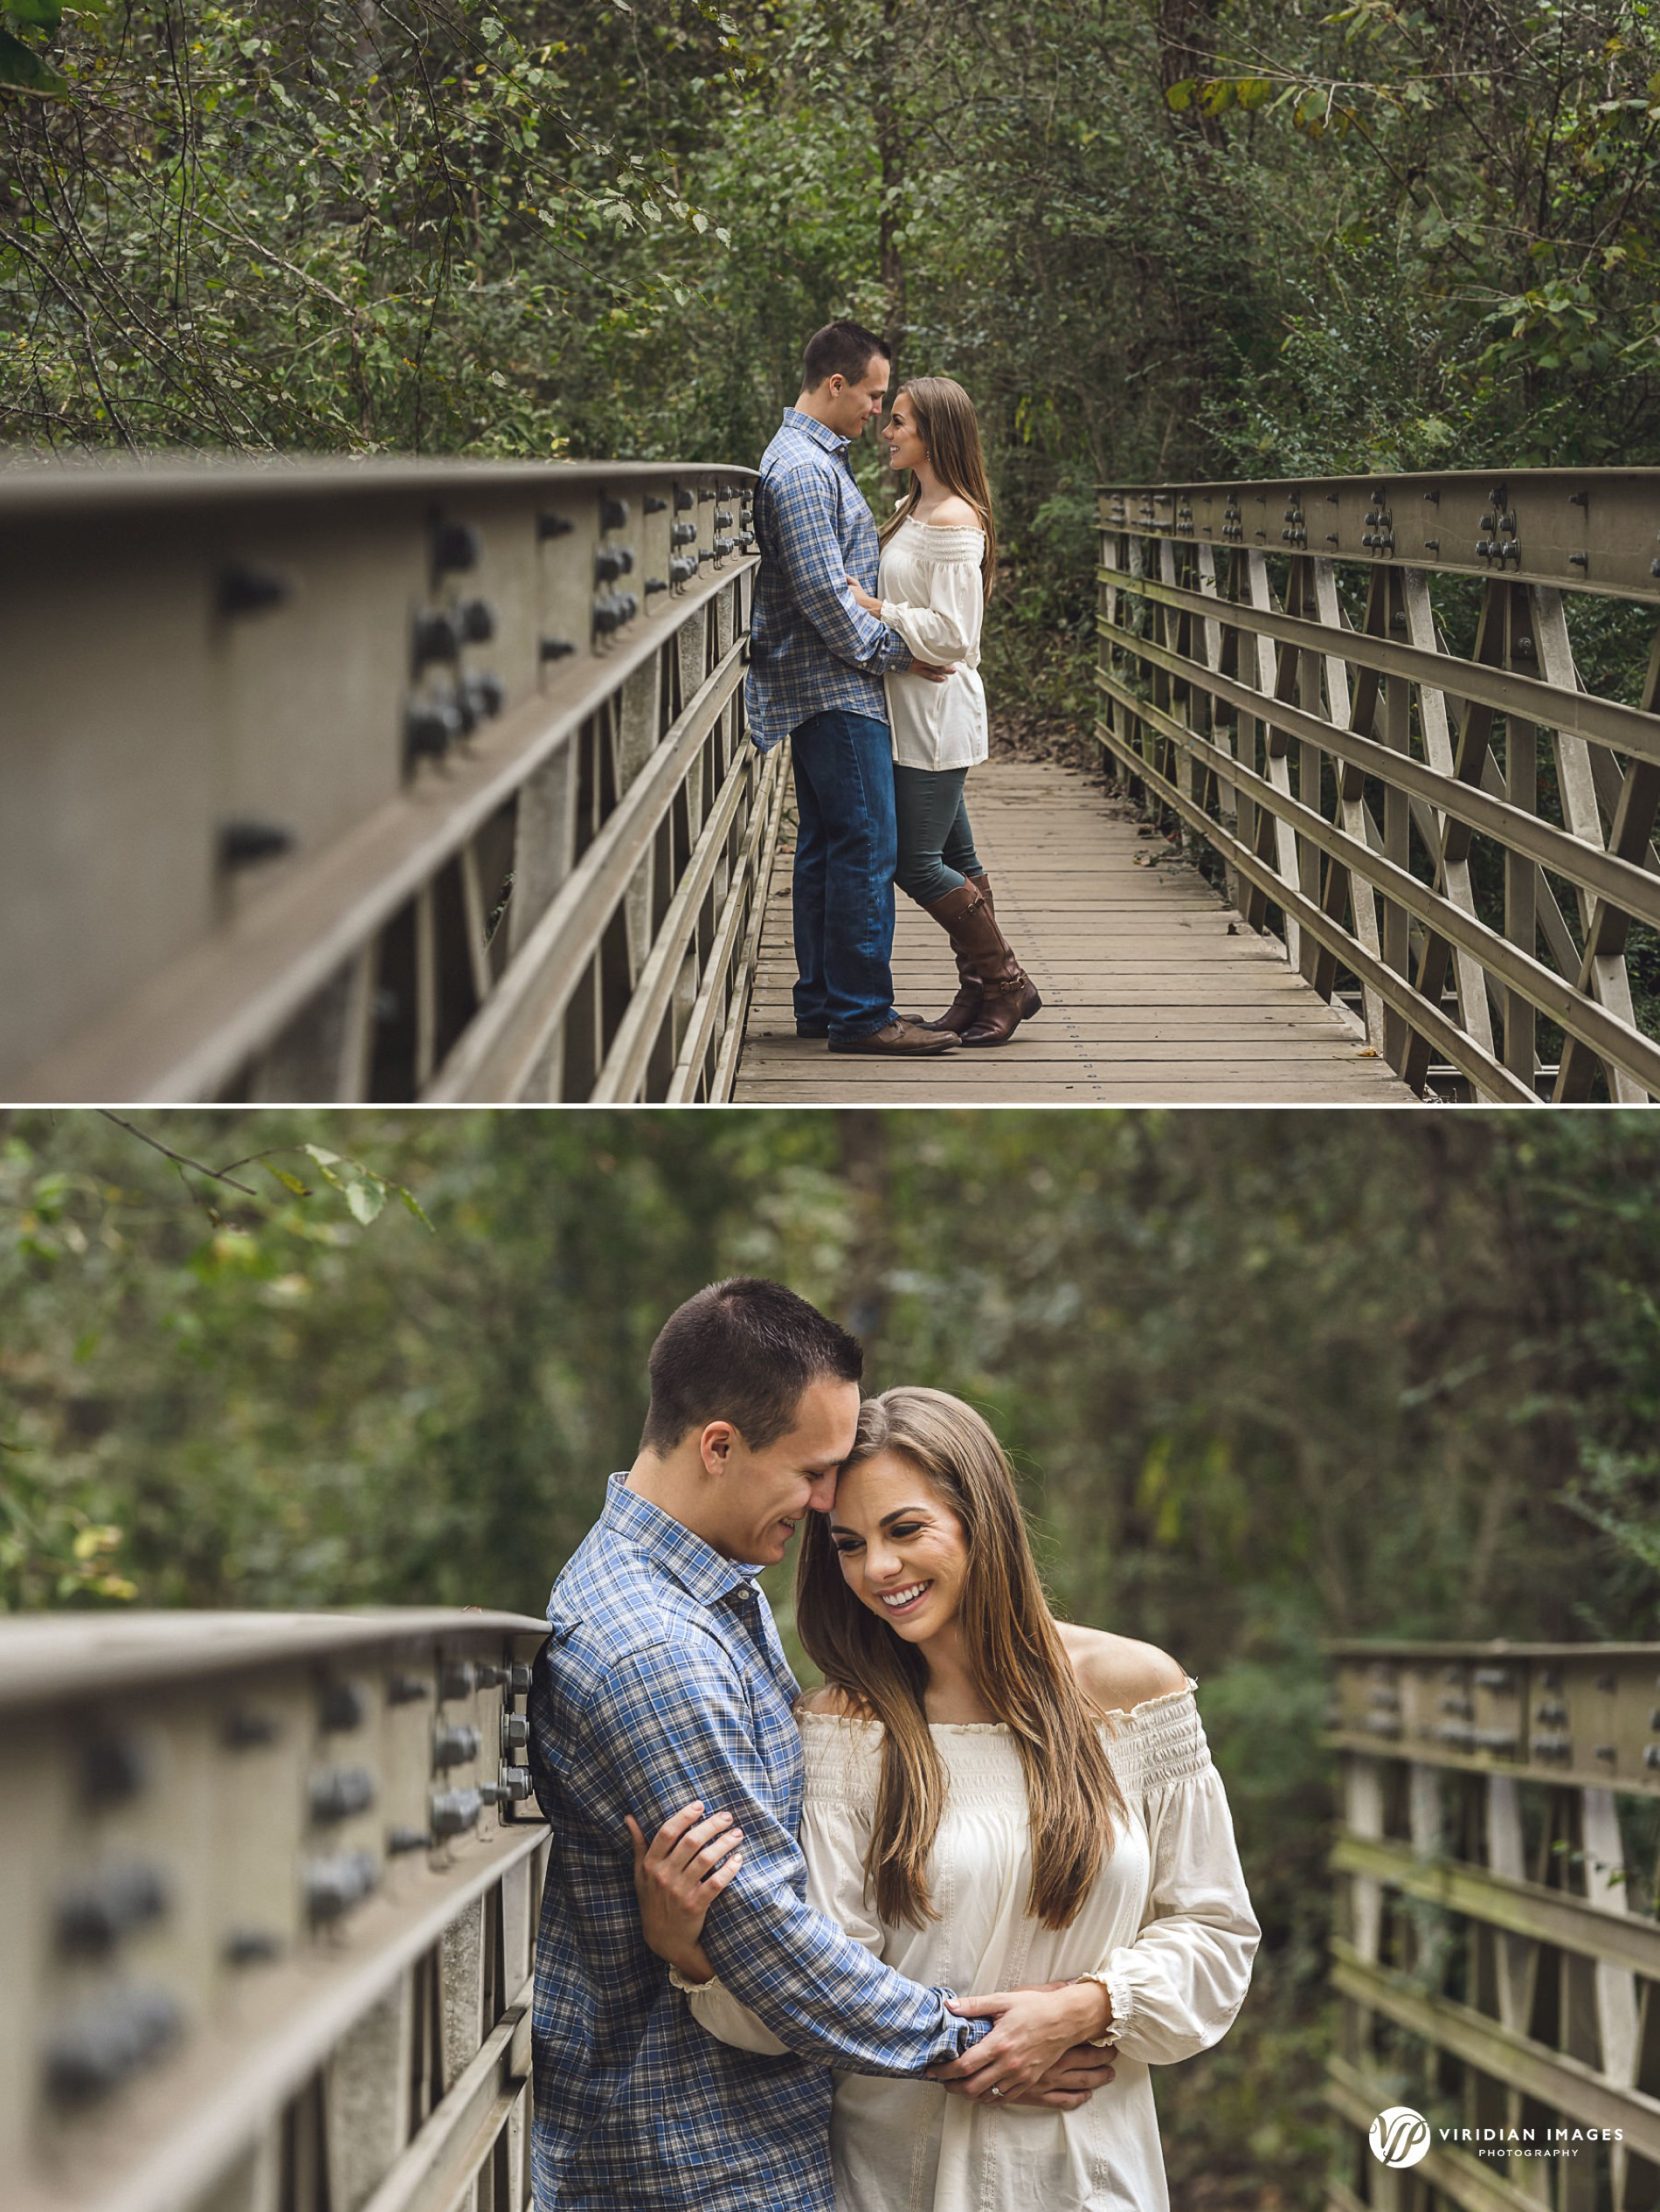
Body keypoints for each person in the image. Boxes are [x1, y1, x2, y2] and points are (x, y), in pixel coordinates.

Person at [527, 1283, 1117, 2212]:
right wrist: (977, 2045)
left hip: (746, 2138)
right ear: (718, 1446)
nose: (825, 1499)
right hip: (695, 2157)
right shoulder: (658, 1649)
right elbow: (765, 1935)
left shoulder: (708, 1595)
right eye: (811, 1473)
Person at [630, 1386, 1260, 2212]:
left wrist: (1085, 2009)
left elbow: (1215, 1935)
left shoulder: (1134, 1693)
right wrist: (695, 1957)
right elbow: (819, 1984)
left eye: (905, 1529)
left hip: (1090, 2177)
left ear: (981, 1519)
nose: (877, 1570)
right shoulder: (842, 1732)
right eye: (849, 1544)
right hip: (900, 2181)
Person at [746, 322, 958, 1058]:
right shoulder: (802, 471)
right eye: (872, 395)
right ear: (835, 384)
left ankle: (824, 1003)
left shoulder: (812, 459)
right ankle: (865, 1016)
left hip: (830, 683)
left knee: (827, 846)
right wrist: (900, 652)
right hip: (834, 687)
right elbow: (825, 598)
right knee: (867, 844)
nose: (876, 411)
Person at [846, 377, 1042, 1046]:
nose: (887, 431)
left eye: (900, 422)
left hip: (933, 715)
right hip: (911, 704)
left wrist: (881, 611)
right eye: (890, 418)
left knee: (915, 863)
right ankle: (981, 987)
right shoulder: (912, 508)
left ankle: (1007, 983)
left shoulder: (956, 519)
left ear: (936, 434)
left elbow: (956, 634)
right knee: (958, 853)